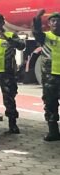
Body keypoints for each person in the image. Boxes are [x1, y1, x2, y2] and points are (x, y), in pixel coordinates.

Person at [32, 10, 60, 141]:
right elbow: (36, 32)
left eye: (58, 21)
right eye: (53, 21)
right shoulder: (45, 37)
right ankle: (53, 132)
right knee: (50, 105)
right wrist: (37, 18)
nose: (56, 23)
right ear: (49, 23)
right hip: (50, 78)